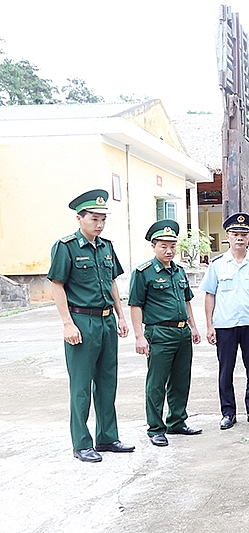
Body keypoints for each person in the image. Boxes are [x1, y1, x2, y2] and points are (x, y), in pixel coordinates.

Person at [47, 189, 134, 463]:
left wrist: (121, 316)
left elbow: (112, 283)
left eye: (103, 219)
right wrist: (67, 324)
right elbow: (57, 285)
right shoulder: (66, 246)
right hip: (81, 321)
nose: (99, 224)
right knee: (81, 386)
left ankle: (107, 437)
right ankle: (82, 443)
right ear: (79, 218)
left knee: (108, 381)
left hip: (107, 320)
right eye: (94, 218)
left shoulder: (106, 246)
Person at [129, 219, 202, 447]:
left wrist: (193, 326)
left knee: (181, 380)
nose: (169, 250)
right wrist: (139, 336)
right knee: (156, 382)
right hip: (159, 333)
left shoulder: (179, 271)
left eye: (172, 245)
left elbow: (187, 301)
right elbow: (135, 305)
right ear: (154, 246)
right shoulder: (144, 273)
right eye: (163, 246)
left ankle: (177, 421)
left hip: (182, 333)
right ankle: (155, 428)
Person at [200, 212, 249, 430]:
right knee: (226, 370)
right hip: (225, 326)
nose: (239, 238)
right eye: (235, 234)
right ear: (228, 237)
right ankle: (228, 413)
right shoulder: (217, 265)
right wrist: (209, 325)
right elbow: (209, 295)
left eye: (244, 234)